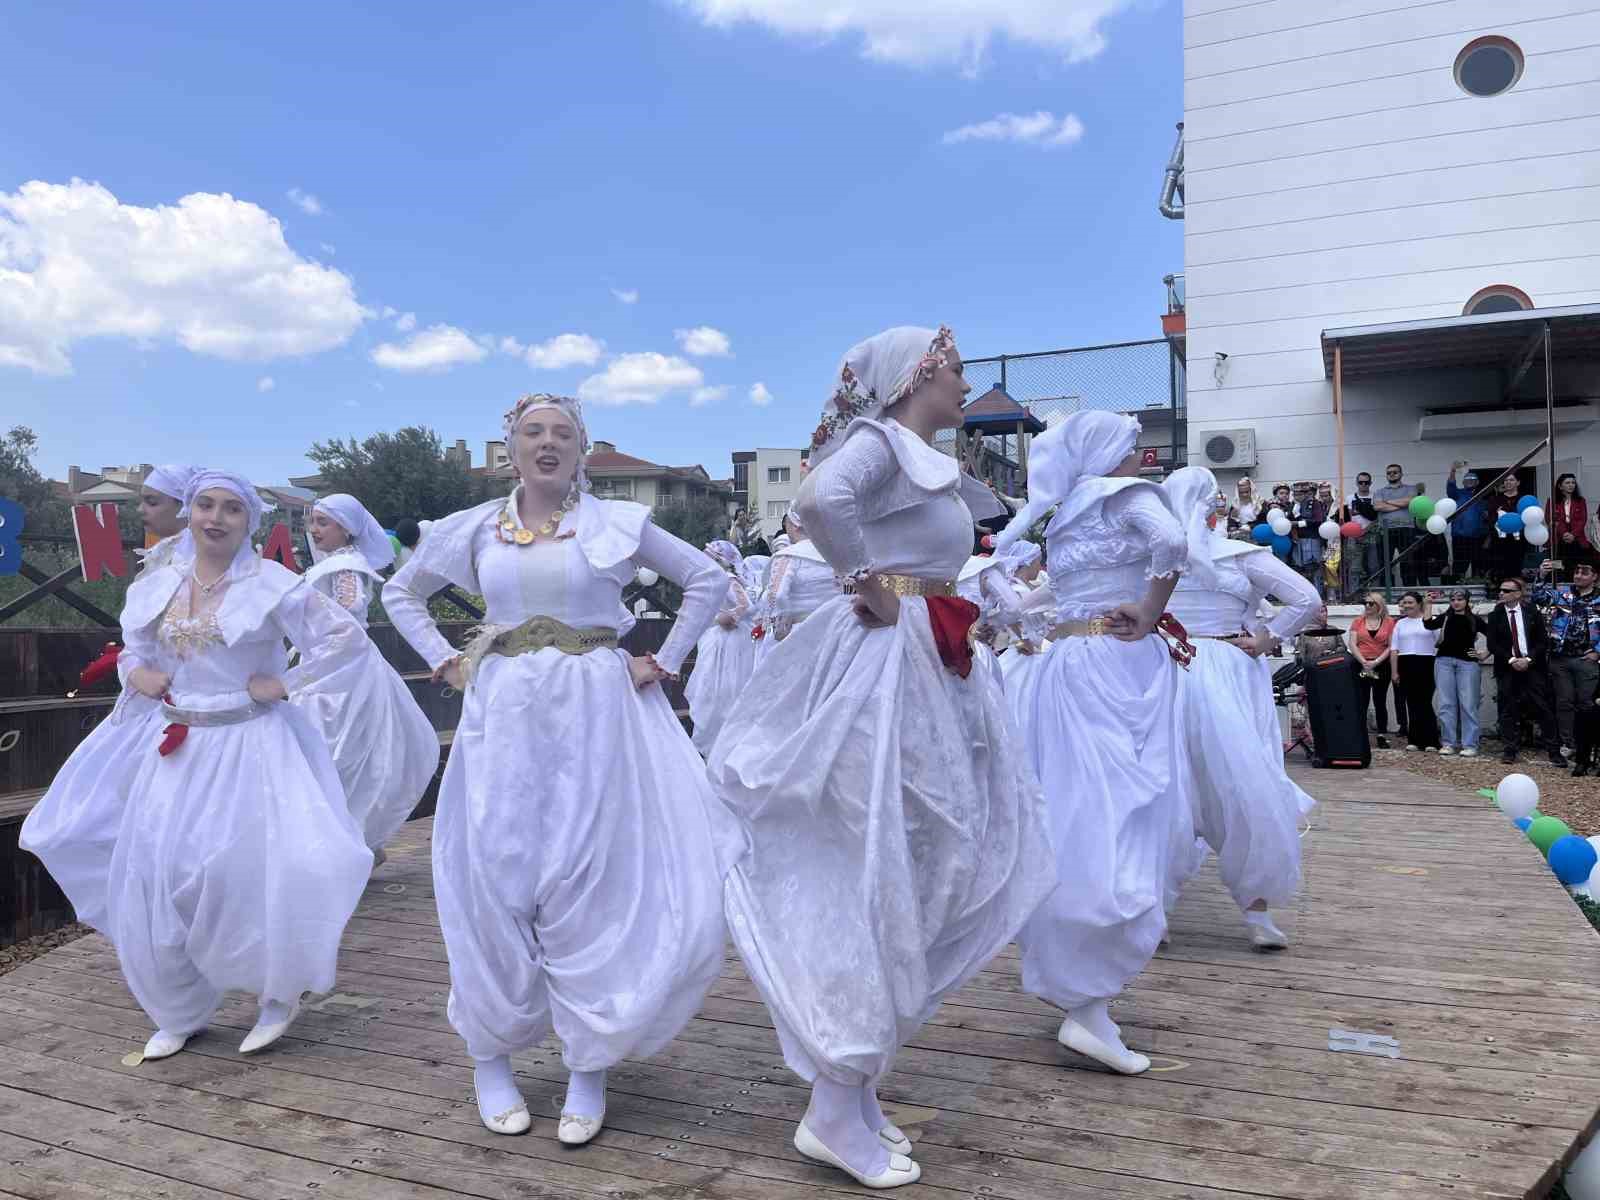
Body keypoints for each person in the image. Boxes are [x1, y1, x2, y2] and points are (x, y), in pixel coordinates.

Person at [710, 326, 1054, 1189]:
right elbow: (824, 500)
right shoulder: (880, 444)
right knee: (883, 860)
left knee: (923, 857)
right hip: (885, 670)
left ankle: (852, 1090)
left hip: (925, 665)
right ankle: (835, 1098)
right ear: (921, 376)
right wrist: (864, 577)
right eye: (960, 371)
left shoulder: (914, 455)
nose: (968, 385)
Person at [383, 394, 741, 1143]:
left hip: (595, 710)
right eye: (532, 432)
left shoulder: (616, 523)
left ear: (581, 449)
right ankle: (491, 1056)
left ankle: (588, 1063)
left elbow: (707, 582)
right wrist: (447, 663)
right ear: (508, 445)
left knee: (590, 875)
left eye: (563, 434)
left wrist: (664, 661)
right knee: (495, 870)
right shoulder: (475, 527)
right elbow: (401, 590)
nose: (548, 444)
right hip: (504, 712)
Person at [27, 471, 380, 1060]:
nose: (216, 519)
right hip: (176, 745)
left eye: (232, 509)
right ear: (190, 512)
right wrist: (135, 675)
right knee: (157, 874)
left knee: (246, 873)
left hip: (251, 745)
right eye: (206, 506)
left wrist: (286, 682)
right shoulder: (159, 584)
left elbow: (344, 643)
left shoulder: (274, 585)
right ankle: (179, 1006)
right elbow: (136, 652)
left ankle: (276, 991)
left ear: (250, 521)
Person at [995, 408, 1189, 1078]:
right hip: (1119, 662)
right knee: (1125, 818)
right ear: (1111, 451)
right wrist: (1153, 609)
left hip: (1066, 667)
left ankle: (1084, 992)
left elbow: (1038, 595)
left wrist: (1001, 619)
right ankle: (1091, 1001)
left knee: (1080, 814)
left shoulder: (1066, 511)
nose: (1144, 457)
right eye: (1135, 446)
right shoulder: (1127, 496)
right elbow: (1173, 545)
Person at [20, 464, 202, 939]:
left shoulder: (199, 565)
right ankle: (151, 924)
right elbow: (140, 640)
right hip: (143, 707)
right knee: (91, 817)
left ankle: (173, 928)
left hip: (179, 710)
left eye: (152, 501)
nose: (141, 510)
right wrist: (132, 668)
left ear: (184, 509)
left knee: (161, 824)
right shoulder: (159, 561)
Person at [1163, 467, 1320, 949]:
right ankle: (1256, 914)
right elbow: (1307, 599)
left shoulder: (1159, 556)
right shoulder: (1239, 556)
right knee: (1239, 781)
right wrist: (1266, 638)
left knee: (1165, 783)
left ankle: (1158, 909)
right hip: (1222, 666)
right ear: (1215, 508)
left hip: (1166, 667)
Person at [295, 493, 439, 856]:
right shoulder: (330, 564)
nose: (314, 530)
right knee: (323, 752)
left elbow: (348, 609)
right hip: (324, 666)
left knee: (339, 751)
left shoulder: (346, 566)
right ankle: (338, 842)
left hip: (343, 670)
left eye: (323, 523)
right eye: (313, 522)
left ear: (346, 528)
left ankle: (349, 842)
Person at [683, 539, 760, 753]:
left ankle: (724, 746)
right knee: (709, 692)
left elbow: (747, 606)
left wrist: (728, 617)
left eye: (709, 555)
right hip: (717, 640)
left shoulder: (726, 578)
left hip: (729, 643)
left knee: (724, 692)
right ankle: (714, 745)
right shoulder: (714, 578)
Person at [1485, 576, 1567, 767]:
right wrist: (1512, 660)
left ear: (1518, 594)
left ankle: (1553, 751)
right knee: (1507, 709)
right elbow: (1492, 644)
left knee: (1542, 707)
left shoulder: (1531, 611)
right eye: (1501, 590)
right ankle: (1510, 750)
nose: (1501, 593)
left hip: (1532, 667)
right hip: (1507, 667)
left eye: (1506, 590)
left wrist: (1528, 659)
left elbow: (1542, 641)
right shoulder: (1495, 614)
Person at [1533, 558, 1600, 773]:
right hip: (1560, 658)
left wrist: (1598, 651)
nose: (1579, 575)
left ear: (1595, 576)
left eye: (1584, 572)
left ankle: (1586, 747)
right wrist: (1541, 575)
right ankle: (1568, 743)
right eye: (1577, 571)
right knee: (1564, 703)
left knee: (1586, 704)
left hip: (1585, 659)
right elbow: (1539, 597)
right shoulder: (1563, 593)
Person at [1424, 589, 1490, 756]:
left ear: (1467, 601)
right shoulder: (1446, 617)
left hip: (1467, 663)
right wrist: (1428, 604)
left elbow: (1494, 635)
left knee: (1468, 704)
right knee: (1446, 704)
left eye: (1460, 599)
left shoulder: (1474, 620)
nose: (1456, 602)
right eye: (1453, 599)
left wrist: (1485, 653)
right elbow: (1428, 624)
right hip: (1443, 661)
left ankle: (1470, 744)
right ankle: (1448, 743)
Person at [1390, 592, 1442, 751]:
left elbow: (1439, 641)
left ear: (1419, 604)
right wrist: (1394, 672)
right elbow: (1394, 649)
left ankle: (1432, 740)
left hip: (1426, 662)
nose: (1406, 606)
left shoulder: (1430, 621)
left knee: (1424, 701)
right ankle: (1414, 739)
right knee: (1411, 702)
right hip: (1406, 663)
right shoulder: (1400, 624)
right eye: (1404, 603)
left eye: (1410, 602)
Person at [1347, 593, 1399, 748]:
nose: (1368, 606)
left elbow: (1391, 646)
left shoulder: (1389, 622)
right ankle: (1360, 733)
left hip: (1381, 664)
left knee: (1379, 700)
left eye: (1371, 603)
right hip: (1361, 663)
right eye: (1366, 603)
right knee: (1361, 699)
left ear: (1379, 605)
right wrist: (1363, 661)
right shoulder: (1358, 621)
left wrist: (1376, 661)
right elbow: (1352, 643)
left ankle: (1381, 734)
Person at [1374, 463, 1421, 587]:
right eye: (1389, 473)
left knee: (1408, 561)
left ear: (1401, 474)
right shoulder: (1380, 491)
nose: (1392, 474)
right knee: (1385, 562)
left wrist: (1387, 502)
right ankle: (1387, 590)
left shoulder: (1411, 489)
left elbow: (1410, 501)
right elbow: (1378, 506)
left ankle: (1410, 590)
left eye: (1395, 472)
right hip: (1386, 530)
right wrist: (1401, 503)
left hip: (1407, 528)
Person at [1445, 464, 1488, 581]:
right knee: (1460, 563)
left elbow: (1487, 517)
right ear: (1463, 482)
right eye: (1467, 480)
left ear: (1477, 482)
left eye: (1472, 480)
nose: (1469, 482)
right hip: (1459, 535)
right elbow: (1451, 485)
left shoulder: (1483, 496)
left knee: (1478, 563)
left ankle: (1477, 582)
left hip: (1477, 536)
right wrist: (1453, 470)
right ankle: (1459, 584)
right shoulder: (1457, 493)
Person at [1342, 472, 1381, 600]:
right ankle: (1354, 595)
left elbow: (1377, 517)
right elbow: (1349, 517)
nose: (1363, 485)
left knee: (1373, 565)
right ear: (1357, 483)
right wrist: (1354, 532)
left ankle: (1375, 596)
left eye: (1366, 482)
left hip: (1372, 533)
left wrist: (1366, 529)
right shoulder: (1349, 498)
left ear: (1370, 483)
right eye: (1361, 482)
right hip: (1354, 535)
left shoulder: (1375, 496)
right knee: (1354, 567)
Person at [1488, 474, 1532, 585]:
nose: (1508, 482)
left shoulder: (1524, 499)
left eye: (1511, 480)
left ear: (1518, 482)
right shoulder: (1496, 499)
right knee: (1501, 568)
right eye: (1506, 480)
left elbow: (1529, 517)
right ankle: (1502, 591)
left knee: (1517, 567)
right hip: (1500, 540)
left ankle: (1517, 590)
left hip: (1519, 539)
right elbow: (1491, 518)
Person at [1549, 473, 1596, 575]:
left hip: (1577, 540)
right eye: (1567, 483)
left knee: (1577, 567)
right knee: (1558, 569)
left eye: (1573, 483)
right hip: (1559, 541)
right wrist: (1564, 534)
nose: (1571, 485)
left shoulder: (1580, 501)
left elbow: (1583, 520)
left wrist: (1573, 535)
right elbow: (1552, 519)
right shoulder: (1552, 501)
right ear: (1560, 486)